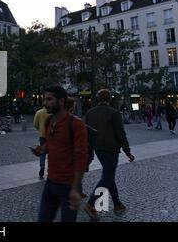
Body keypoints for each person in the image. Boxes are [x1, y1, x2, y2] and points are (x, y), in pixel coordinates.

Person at [31, 86, 88, 223]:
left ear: (61, 101)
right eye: (44, 99)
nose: (45, 103)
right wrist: (42, 149)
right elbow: (51, 144)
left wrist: (75, 188)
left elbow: (81, 157)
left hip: (68, 186)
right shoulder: (49, 121)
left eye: (49, 99)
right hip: (50, 183)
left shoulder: (76, 124)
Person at [83, 89, 135, 222]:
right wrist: (127, 151)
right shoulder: (114, 113)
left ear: (97, 99)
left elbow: (86, 133)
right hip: (111, 149)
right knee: (107, 177)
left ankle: (117, 204)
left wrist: (89, 150)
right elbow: (120, 133)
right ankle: (91, 203)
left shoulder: (90, 113)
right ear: (109, 99)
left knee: (108, 175)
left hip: (98, 149)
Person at [33, 105, 49, 179]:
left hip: (42, 135)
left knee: (42, 152)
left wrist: (39, 129)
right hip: (51, 135)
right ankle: (50, 168)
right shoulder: (51, 112)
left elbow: (35, 124)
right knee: (52, 152)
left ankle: (42, 167)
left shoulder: (39, 112)